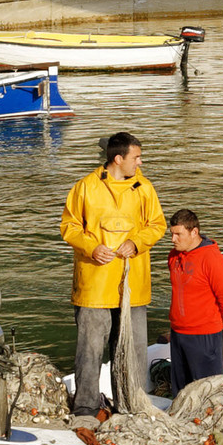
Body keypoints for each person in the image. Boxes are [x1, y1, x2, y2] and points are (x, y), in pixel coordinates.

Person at [59, 131, 166, 418]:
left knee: (132, 353)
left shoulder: (144, 188)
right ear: (118, 159)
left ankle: (131, 404)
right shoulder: (85, 188)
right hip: (94, 285)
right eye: (136, 158)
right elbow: (69, 227)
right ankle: (85, 407)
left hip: (133, 286)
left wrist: (137, 242)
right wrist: (92, 248)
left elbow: (157, 225)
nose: (140, 163)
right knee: (90, 351)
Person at [165, 209, 223, 391]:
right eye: (172, 234)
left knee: (208, 391)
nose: (173, 239)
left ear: (194, 232)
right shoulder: (173, 256)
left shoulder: (213, 260)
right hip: (178, 333)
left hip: (204, 335)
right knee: (181, 391)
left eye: (178, 234)